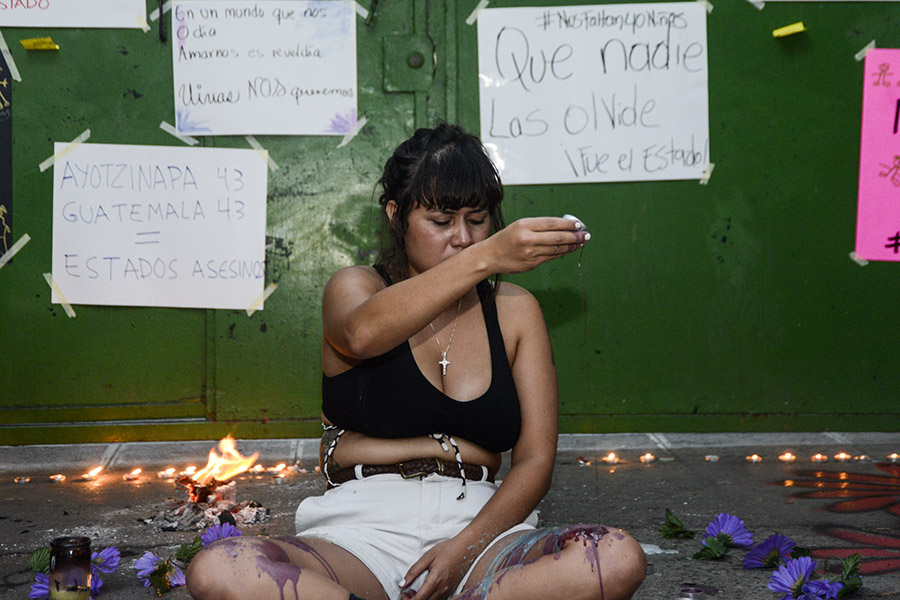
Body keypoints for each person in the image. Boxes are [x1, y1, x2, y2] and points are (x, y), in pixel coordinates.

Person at [186, 123, 646, 600]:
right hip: (360, 531)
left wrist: (463, 549)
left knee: (614, 556)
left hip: (482, 530)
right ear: (396, 215)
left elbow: (534, 462)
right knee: (222, 569)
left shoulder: (514, 310)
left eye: (478, 219)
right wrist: (488, 257)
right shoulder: (357, 288)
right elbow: (361, 336)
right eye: (441, 221)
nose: (463, 239)